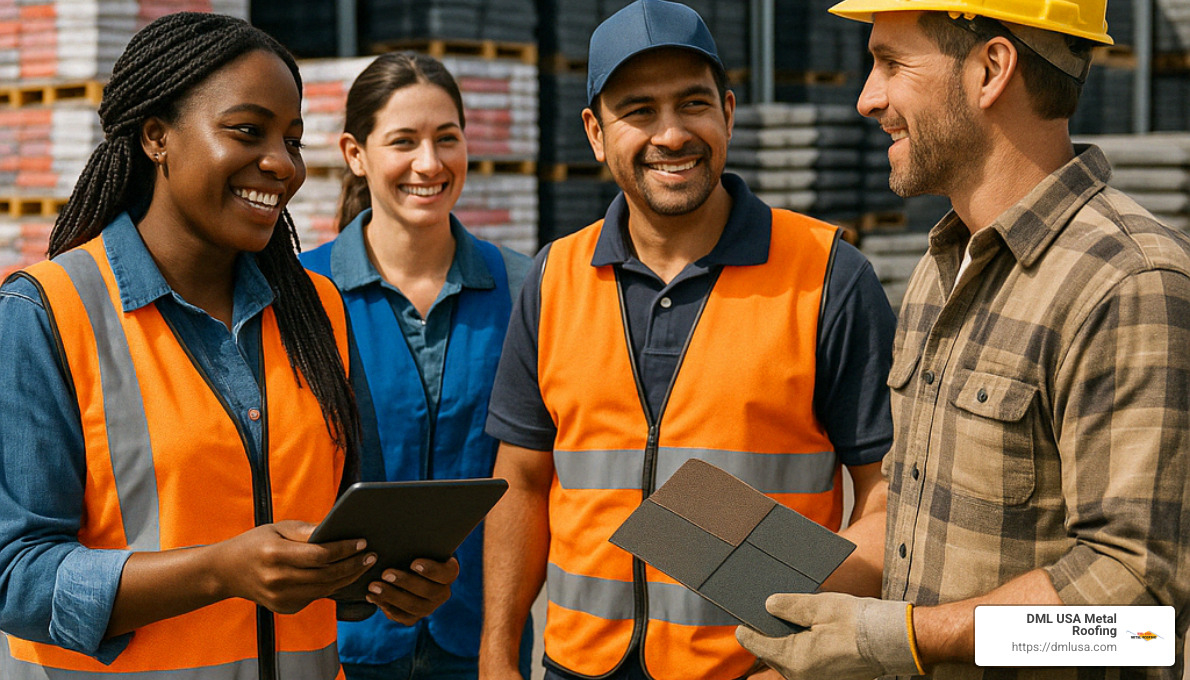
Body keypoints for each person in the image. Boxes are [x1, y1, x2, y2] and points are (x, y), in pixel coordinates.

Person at [737, 1, 1190, 678]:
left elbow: (1136, 618)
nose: (868, 99)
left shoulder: (1128, 284)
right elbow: (915, 510)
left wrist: (902, 639)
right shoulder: (940, 270)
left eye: (891, 63)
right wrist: (788, 589)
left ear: (991, 69)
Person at [0, 13, 457, 679]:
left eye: (292, 139)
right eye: (248, 131)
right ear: (157, 136)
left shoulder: (320, 311)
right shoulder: (48, 311)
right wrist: (219, 571)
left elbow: (346, 531)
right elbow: (16, 576)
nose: (280, 162)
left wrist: (385, 579)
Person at [478, 1, 898, 679]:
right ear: (595, 132)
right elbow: (523, 481)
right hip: (574, 666)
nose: (671, 134)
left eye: (693, 103)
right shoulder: (553, 277)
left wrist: (800, 644)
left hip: (750, 670)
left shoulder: (827, 275)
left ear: (728, 113)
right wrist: (498, 655)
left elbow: (887, 497)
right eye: (639, 110)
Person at [300, 52, 534, 680]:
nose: (429, 164)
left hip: (485, 643)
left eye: (446, 139)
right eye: (403, 141)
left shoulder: (523, 288)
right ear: (355, 152)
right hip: (339, 639)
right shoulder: (301, 295)